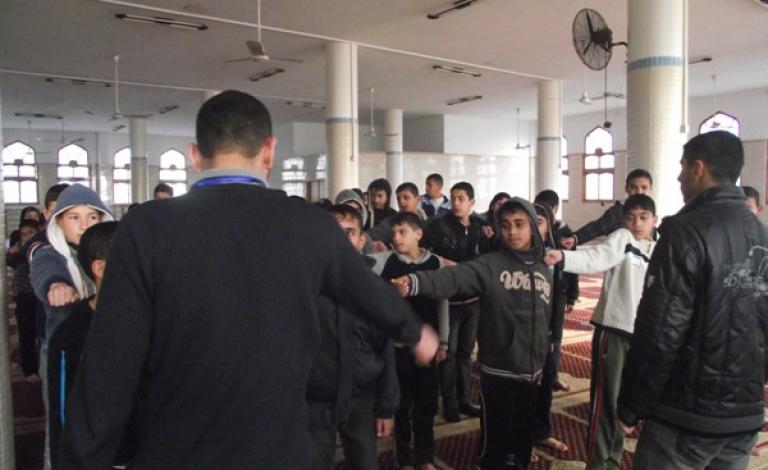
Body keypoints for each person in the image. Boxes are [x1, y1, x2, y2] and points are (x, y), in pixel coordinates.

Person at [58, 90, 437, 470]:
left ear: (195, 155)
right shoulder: (308, 225)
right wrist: (414, 331)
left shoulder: (146, 228)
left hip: (177, 451)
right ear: (269, 151)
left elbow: (109, 368)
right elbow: (366, 291)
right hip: (279, 452)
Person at [618, 131, 768, 470]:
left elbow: (661, 329)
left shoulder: (685, 231)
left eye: (683, 166)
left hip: (686, 416)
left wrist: (632, 403)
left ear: (697, 168)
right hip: (744, 415)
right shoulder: (762, 232)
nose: (679, 177)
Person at [394, 198, 553, 469]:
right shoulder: (491, 265)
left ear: (533, 228)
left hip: (532, 371)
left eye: (519, 224)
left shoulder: (543, 268)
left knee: (522, 437)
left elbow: (546, 311)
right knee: (495, 441)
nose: (512, 232)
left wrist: (545, 341)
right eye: (505, 225)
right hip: (499, 370)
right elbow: (454, 277)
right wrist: (416, 281)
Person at [544, 194, 657, 470]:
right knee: (606, 404)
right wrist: (563, 257)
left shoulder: (659, 248)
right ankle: (597, 464)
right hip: (614, 331)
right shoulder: (622, 238)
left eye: (643, 218)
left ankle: (613, 461)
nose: (637, 224)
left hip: (643, 336)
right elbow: (597, 257)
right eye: (630, 218)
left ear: (655, 220)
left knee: (627, 405)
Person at [307, 204, 399, 470]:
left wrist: (386, 407)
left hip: (361, 398)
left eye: (348, 232)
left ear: (361, 240)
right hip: (315, 400)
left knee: (365, 462)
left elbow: (386, 350)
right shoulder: (304, 288)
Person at [30, 183, 113, 470]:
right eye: (74, 217)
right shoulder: (50, 255)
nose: (84, 225)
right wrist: (57, 286)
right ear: (59, 222)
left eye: (92, 217)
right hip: (63, 354)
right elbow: (45, 274)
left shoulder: (107, 252)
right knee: (62, 422)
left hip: (101, 350)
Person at [45, 221, 128, 470]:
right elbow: (63, 415)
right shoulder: (72, 335)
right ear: (100, 268)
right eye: (134, 257)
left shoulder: (152, 321)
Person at [370, 212, 449, 470]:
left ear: (418, 234)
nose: (396, 237)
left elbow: (442, 303)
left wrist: (444, 341)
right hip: (396, 346)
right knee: (401, 404)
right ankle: (403, 458)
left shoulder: (435, 263)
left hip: (427, 347)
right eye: (393, 233)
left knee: (426, 404)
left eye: (402, 232)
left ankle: (425, 457)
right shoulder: (385, 261)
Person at [422, 181, 492, 421]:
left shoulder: (480, 227)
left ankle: (464, 399)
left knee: (465, 354)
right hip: (449, 302)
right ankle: (450, 403)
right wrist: (441, 262)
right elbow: (423, 252)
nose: (456, 203)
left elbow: (489, 256)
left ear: (472, 202)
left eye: (461, 199)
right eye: (453, 198)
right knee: (448, 355)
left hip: (473, 301)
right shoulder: (439, 226)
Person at [533, 190, 579, 392]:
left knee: (556, 337)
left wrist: (572, 296)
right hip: (536, 296)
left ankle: (553, 375)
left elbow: (573, 266)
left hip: (558, 293)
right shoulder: (530, 236)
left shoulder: (564, 234)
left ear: (555, 210)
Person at [561, 169, 653, 249]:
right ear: (626, 189)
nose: (639, 192)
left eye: (644, 187)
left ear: (650, 189)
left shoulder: (652, 212)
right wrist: (574, 238)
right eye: (634, 187)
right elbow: (595, 228)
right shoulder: (617, 212)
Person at [7, 219, 41, 381]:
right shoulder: (19, 251)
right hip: (25, 297)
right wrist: (12, 252)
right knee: (26, 334)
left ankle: (42, 366)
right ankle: (30, 370)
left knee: (42, 333)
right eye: (23, 234)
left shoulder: (41, 248)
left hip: (41, 296)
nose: (27, 237)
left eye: (30, 233)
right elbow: (10, 261)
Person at [367, 182, 428, 249]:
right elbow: (366, 236)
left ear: (418, 200)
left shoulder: (428, 222)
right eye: (398, 199)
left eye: (406, 197)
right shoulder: (391, 222)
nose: (401, 202)